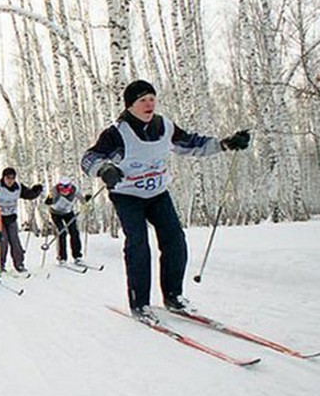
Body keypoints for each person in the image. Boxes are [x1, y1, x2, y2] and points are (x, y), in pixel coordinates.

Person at [81, 79, 251, 325]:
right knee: (138, 244)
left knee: (175, 240)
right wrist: (104, 169)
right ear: (130, 106)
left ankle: (173, 296)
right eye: (143, 100)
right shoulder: (117, 133)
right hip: (127, 195)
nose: (149, 104)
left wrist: (226, 143)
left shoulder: (165, 127)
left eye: (152, 98)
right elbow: (89, 158)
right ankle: (140, 303)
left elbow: (192, 143)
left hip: (158, 193)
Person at [0, 168, 43, 272]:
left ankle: (19, 264)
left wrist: (36, 191)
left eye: (12, 178)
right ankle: (0, 265)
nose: (10, 180)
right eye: (8, 178)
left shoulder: (18, 187)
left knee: (15, 241)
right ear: (3, 178)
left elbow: (29, 195)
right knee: (3, 241)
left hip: (11, 218)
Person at [44, 177, 90, 265]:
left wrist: (86, 200)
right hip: (56, 213)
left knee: (74, 232)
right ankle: (62, 257)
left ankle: (77, 256)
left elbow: (82, 199)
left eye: (66, 190)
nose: (65, 192)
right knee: (62, 232)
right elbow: (48, 200)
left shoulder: (74, 190)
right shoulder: (54, 191)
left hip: (68, 213)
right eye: (62, 190)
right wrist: (49, 201)